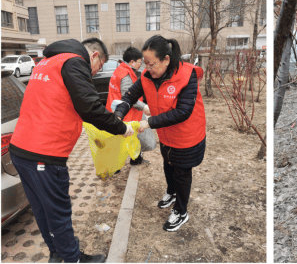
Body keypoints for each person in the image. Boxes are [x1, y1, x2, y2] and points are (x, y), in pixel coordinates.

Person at [9, 38, 134, 263]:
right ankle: (73, 259)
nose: (95, 74)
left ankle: (58, 254)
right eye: (99, 67)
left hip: (21, 150)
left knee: (42, 210)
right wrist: (121, 128)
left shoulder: (48, 61)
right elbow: (90, 107)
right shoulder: (75, 62)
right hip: (44, 154)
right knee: (58, 212)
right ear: (94, 56)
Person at [114, 35, 206, 232]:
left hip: (187, 134)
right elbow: (129, 96)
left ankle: (181, 211)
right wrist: (119, 114)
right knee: (168, 162)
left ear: (166, 59)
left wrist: (148, 123)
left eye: (151, 63)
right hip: (166, 133)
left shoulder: (186, 75)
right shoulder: (147, 77)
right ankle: (171, 192)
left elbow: (183, 111)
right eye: (145, 63)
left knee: (181, 171)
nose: (147, 68)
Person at [106, 46, 150, 166]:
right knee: (128, 138)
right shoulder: (126, 74)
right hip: (125, 112)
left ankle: (133, 159)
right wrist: (144, 107)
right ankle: (127, 162)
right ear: (132, 62)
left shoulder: (119, 70)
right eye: (139, 62)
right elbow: (128, 97)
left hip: (116, 109)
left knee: (123, 139)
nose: (140, 65)